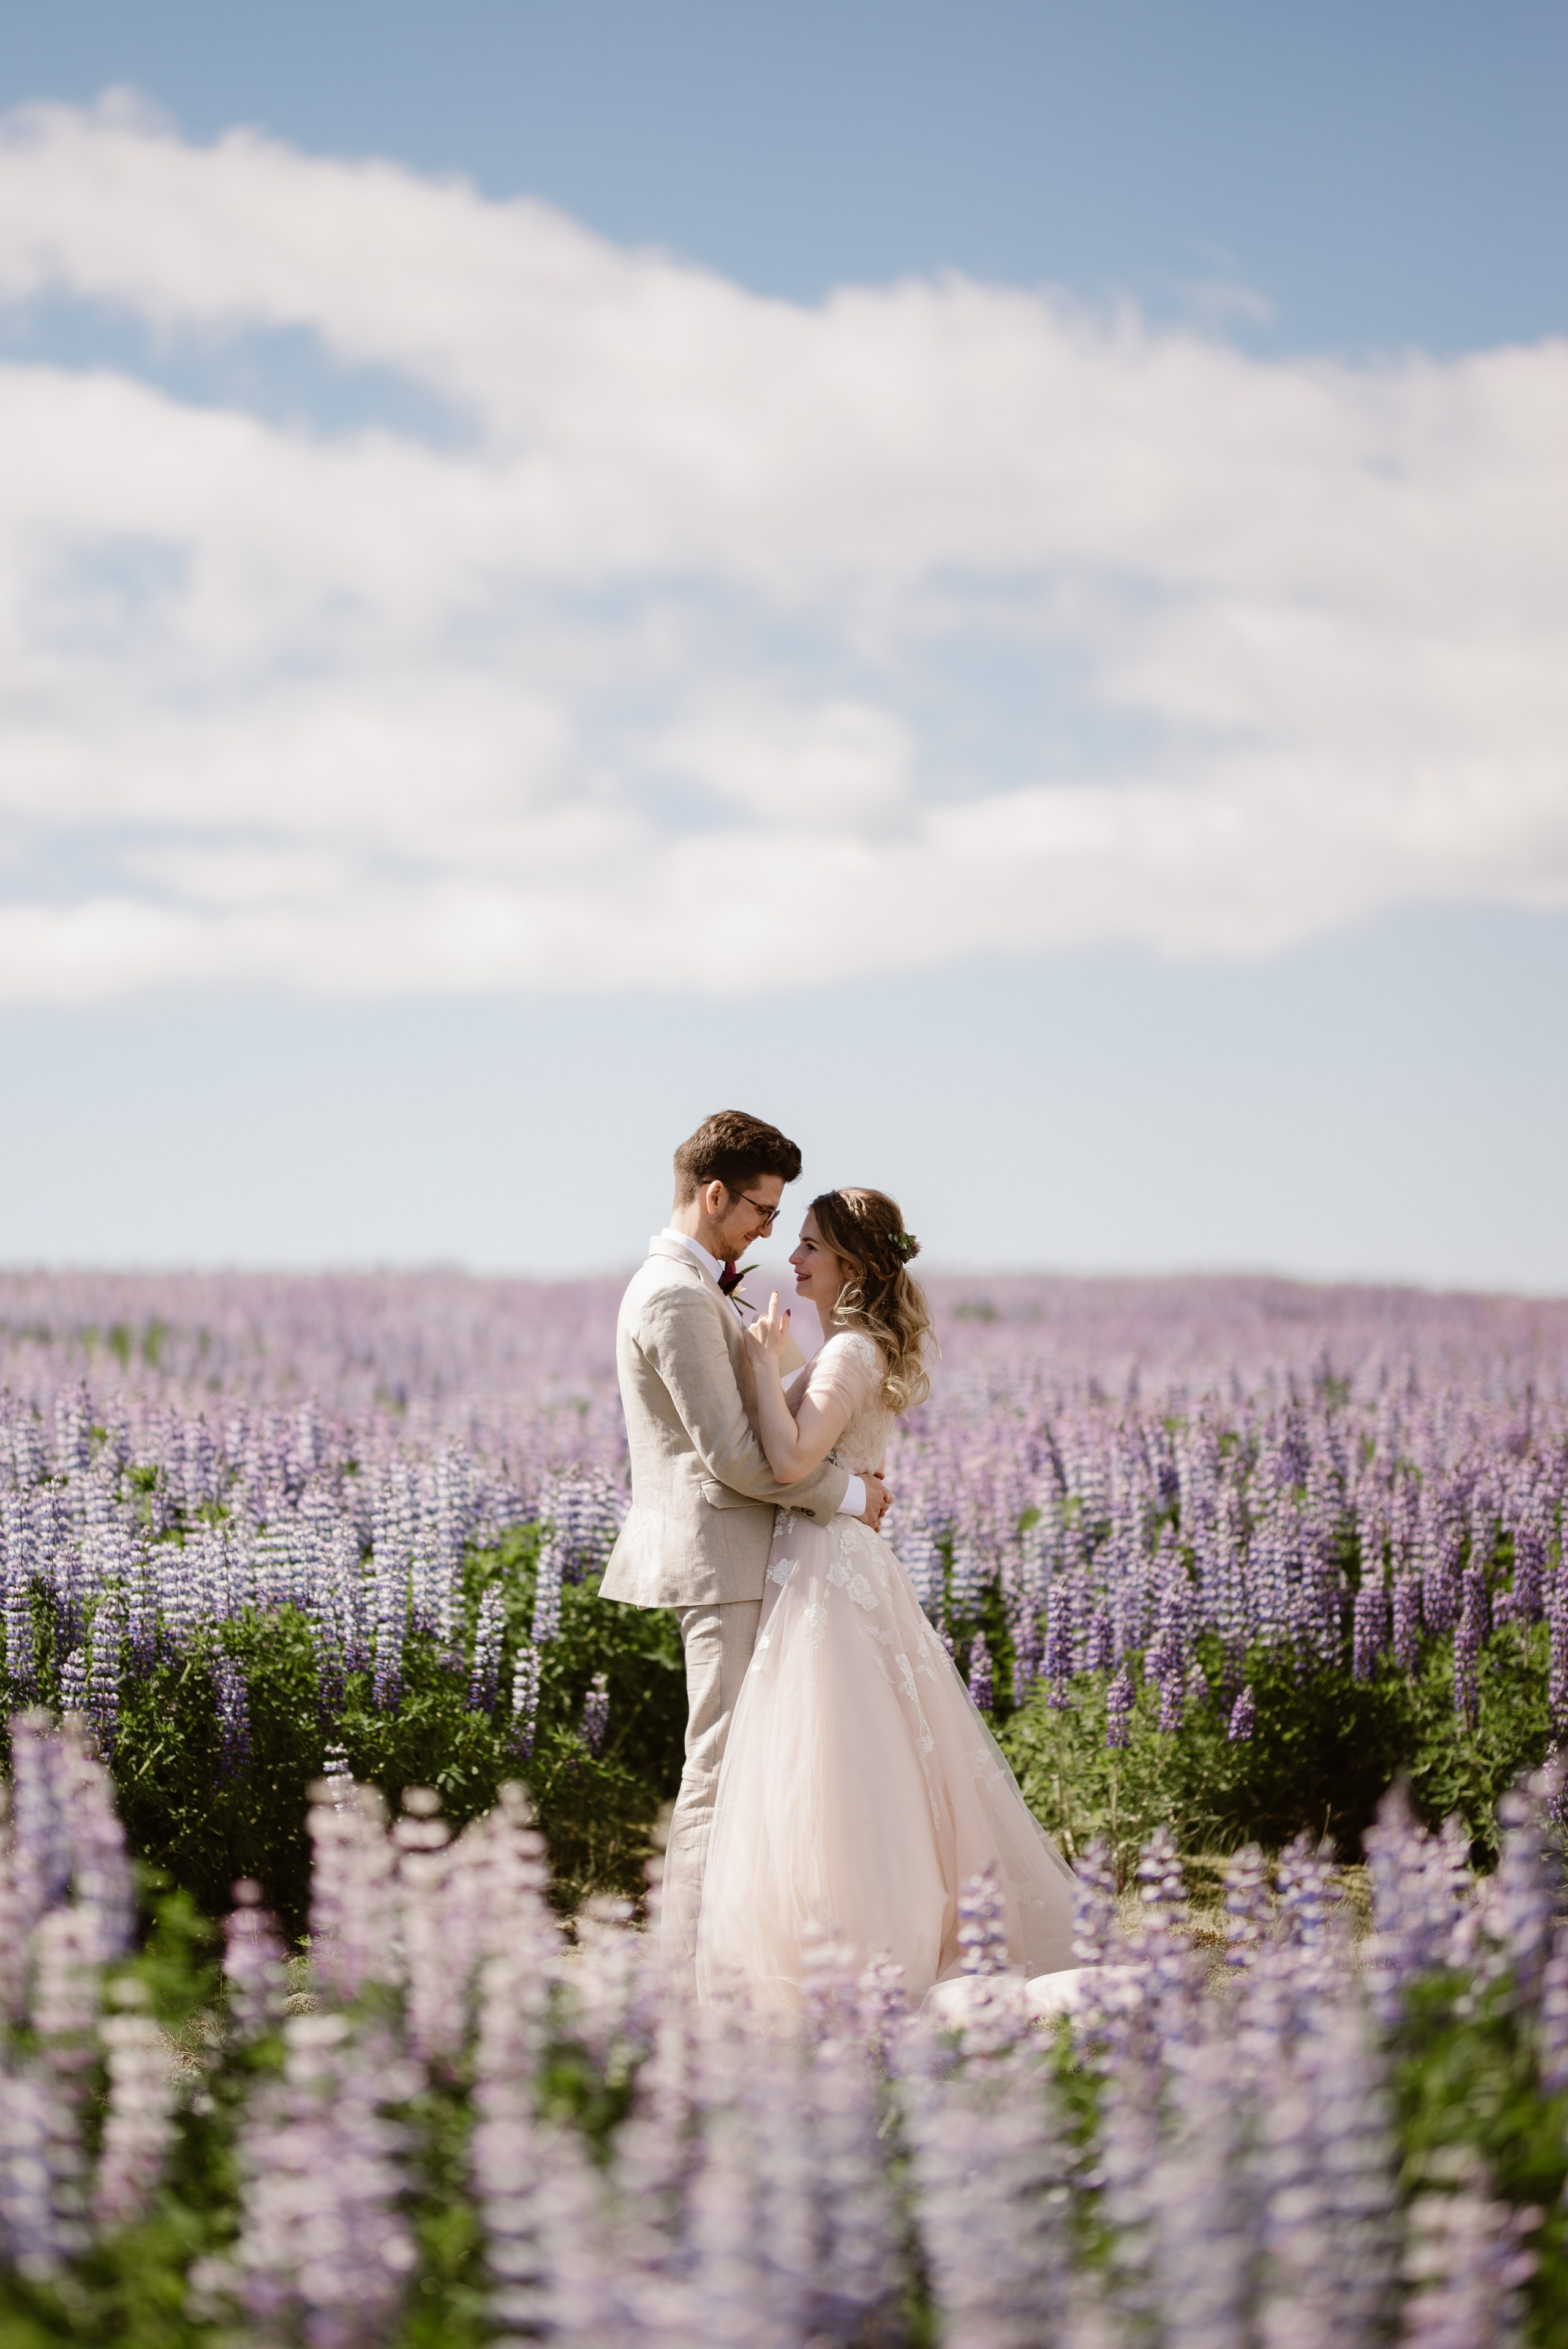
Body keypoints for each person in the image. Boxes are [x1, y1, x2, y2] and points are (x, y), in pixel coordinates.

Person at [695, 1186, 1077, 2014]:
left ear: (851, 1265)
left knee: (833, 1757)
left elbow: (793, 1460)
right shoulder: (846, 1348)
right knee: (862, 1757)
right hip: (835, 1558)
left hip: (831, 1569)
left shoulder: (845, 1353)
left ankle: (856, 1947)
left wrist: (763, 1362)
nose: (792, 1259)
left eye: (809, 1248)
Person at [600, 1113, 889, 1986]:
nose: (770, 1232)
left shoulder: (693, 1288)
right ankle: (686, 1977)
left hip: (744, 1553)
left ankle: (734, 1960)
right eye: (762, 1211)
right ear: (714, 1193)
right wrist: (850, 1497)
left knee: (746, 1765)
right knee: (719, 1770)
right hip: (720, 1556)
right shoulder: (674, 1294)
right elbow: (730, 1456)